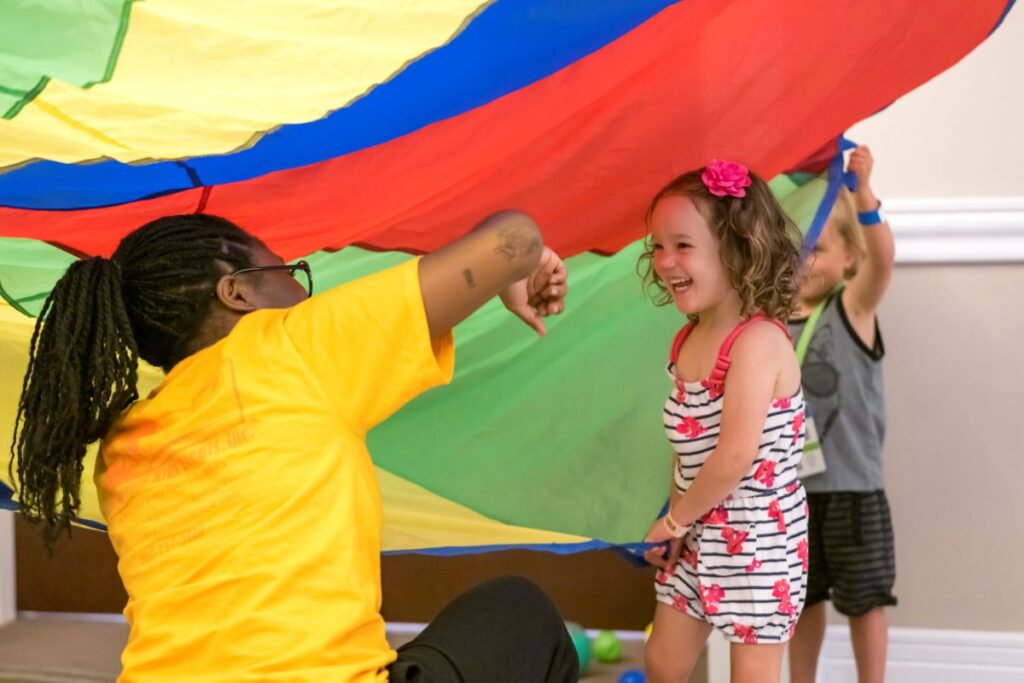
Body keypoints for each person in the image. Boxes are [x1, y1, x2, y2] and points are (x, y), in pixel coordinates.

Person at [9, 211, 579, 682]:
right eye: (288, 271)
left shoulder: (123, 444)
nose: (304, 292)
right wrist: (514, 270)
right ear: (236, 291)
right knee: (518, 609)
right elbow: (514, 238)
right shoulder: (291, 345)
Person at [640, 160, 808, 683]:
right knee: (663, 660)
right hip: (696, 528)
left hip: (758, 541)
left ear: (737, 250)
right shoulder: (688, 339)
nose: (665, 261)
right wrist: (677, 517)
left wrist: (675, 521)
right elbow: (686, 449)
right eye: (657, 246)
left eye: (682, 245)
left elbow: (734, 454)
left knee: (752, 675)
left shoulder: (758, 342)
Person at [787, 145, 897, 683]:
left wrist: (865, 194)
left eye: (816, 248)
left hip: (853, 491)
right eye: (793, 250)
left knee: (865, 598)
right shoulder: (767, 325)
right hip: (791, 495)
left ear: (849, 257)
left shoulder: (852, 308)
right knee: (801, 599)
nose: (801, 261)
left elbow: (883, 261)